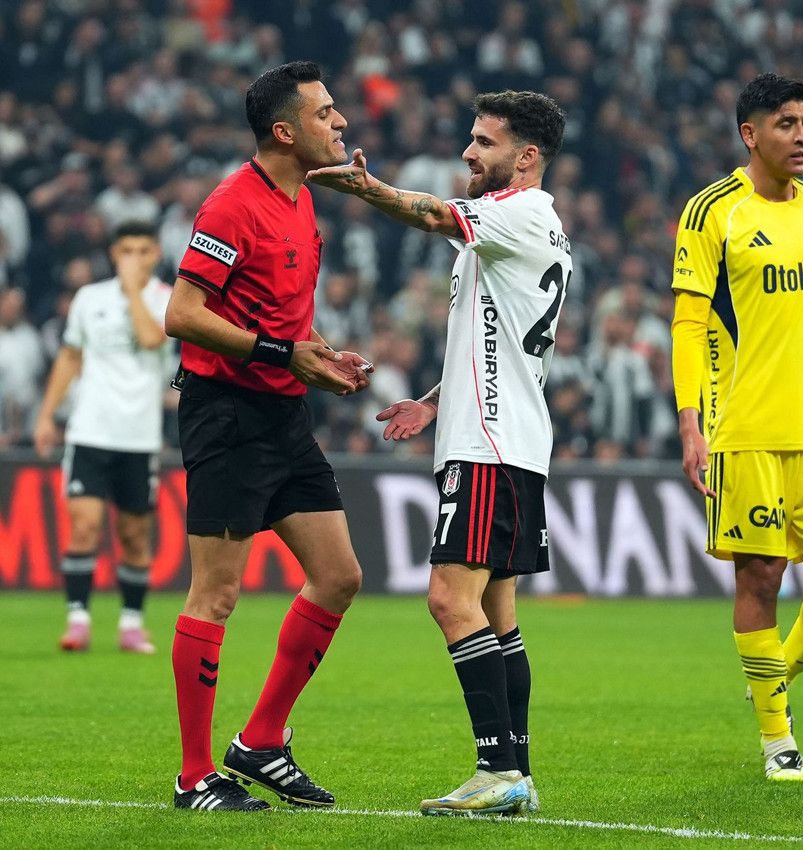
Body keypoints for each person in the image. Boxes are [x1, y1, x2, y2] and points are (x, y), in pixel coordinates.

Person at [309, 89, 570, 815]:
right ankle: (517, 774)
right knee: (497, 613)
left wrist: (367, 188)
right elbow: (495, 336)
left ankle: (495, 771)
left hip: (488, 444)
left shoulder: (515, 213)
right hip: (511, 440)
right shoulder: (535, 225)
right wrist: (431, 400)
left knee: (449, 600)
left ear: (526, 157)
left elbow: (428, 214)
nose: (467, 152)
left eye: (484, 142)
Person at [164, 62, 373, 813]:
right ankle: (194, 777)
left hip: (284, 414)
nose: (339, 121)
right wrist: (285, 354)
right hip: (225, 413)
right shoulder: (230, 206)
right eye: (324, 113)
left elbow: (280, 316)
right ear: (284, 132)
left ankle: (259, 741)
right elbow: (182, 314)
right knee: (216, 594)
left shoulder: (302, 198)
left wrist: (322, 353)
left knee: (339, 575)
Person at [671, 73, 803, 782]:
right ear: (750, 134)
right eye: (785, 124)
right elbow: (687, 323)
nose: (801, 136)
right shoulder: (713, 211)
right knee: (761, 579)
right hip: (743, 429)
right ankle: (778, 740)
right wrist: (690, 424)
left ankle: (774, 675)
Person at [33, 220, 173, 654]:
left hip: (139, 437)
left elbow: (151, 339)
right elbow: (70, 356)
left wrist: (132, 292)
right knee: (85, 526)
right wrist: (46, 416)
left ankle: (131, 623)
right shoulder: (89, 298)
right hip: (90, 431)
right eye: (126, 250)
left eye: (143, 251)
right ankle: (78, 620)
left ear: (155, 254)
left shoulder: (169, 300)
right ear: (114, 254)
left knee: (133, 535)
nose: (135, 259)